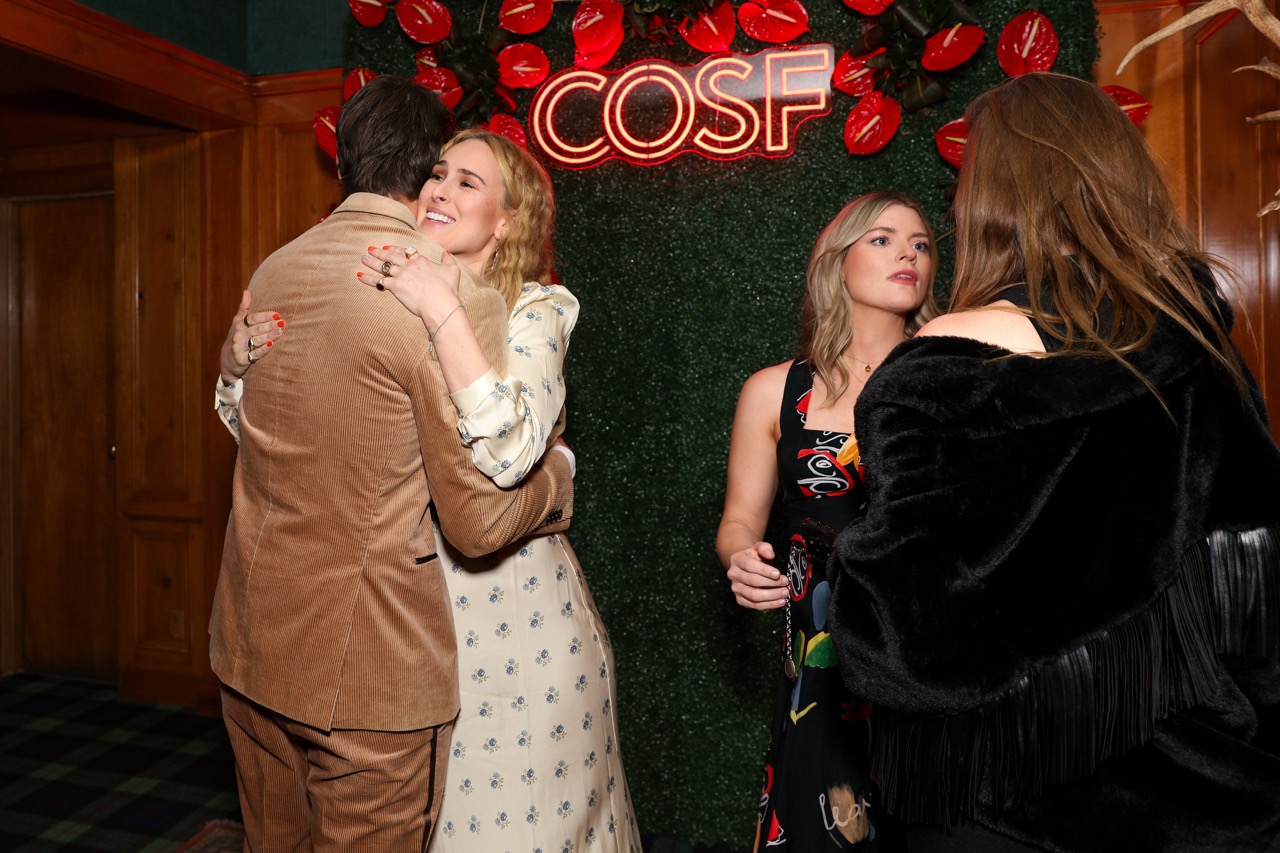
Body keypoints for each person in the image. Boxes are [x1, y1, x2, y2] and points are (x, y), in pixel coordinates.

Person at [824, 72, 1280, 852]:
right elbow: (1256, 579)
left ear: (990, 197)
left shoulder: (941, 369)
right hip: (1203, 792)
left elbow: (908, 645)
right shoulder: (1201, 347)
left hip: (1002, 800)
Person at [221, 127, 642, 851]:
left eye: (468, 183)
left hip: (509, 616)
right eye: (437, 174)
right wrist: (235, 372)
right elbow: (287, 447)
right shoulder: (370, 287)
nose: (441, 191)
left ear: (507, 222)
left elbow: (510, 456)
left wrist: (444, 311)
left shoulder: (535, 309)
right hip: (393, 614)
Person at [717, 192, 939, 851]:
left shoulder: (951, 373)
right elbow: (739, 521)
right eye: (883, 239)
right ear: (836, 262)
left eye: (922, 244)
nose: (908, 253)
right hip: (821, 657)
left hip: (928, 648)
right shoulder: (774, 390)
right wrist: (741, 558)